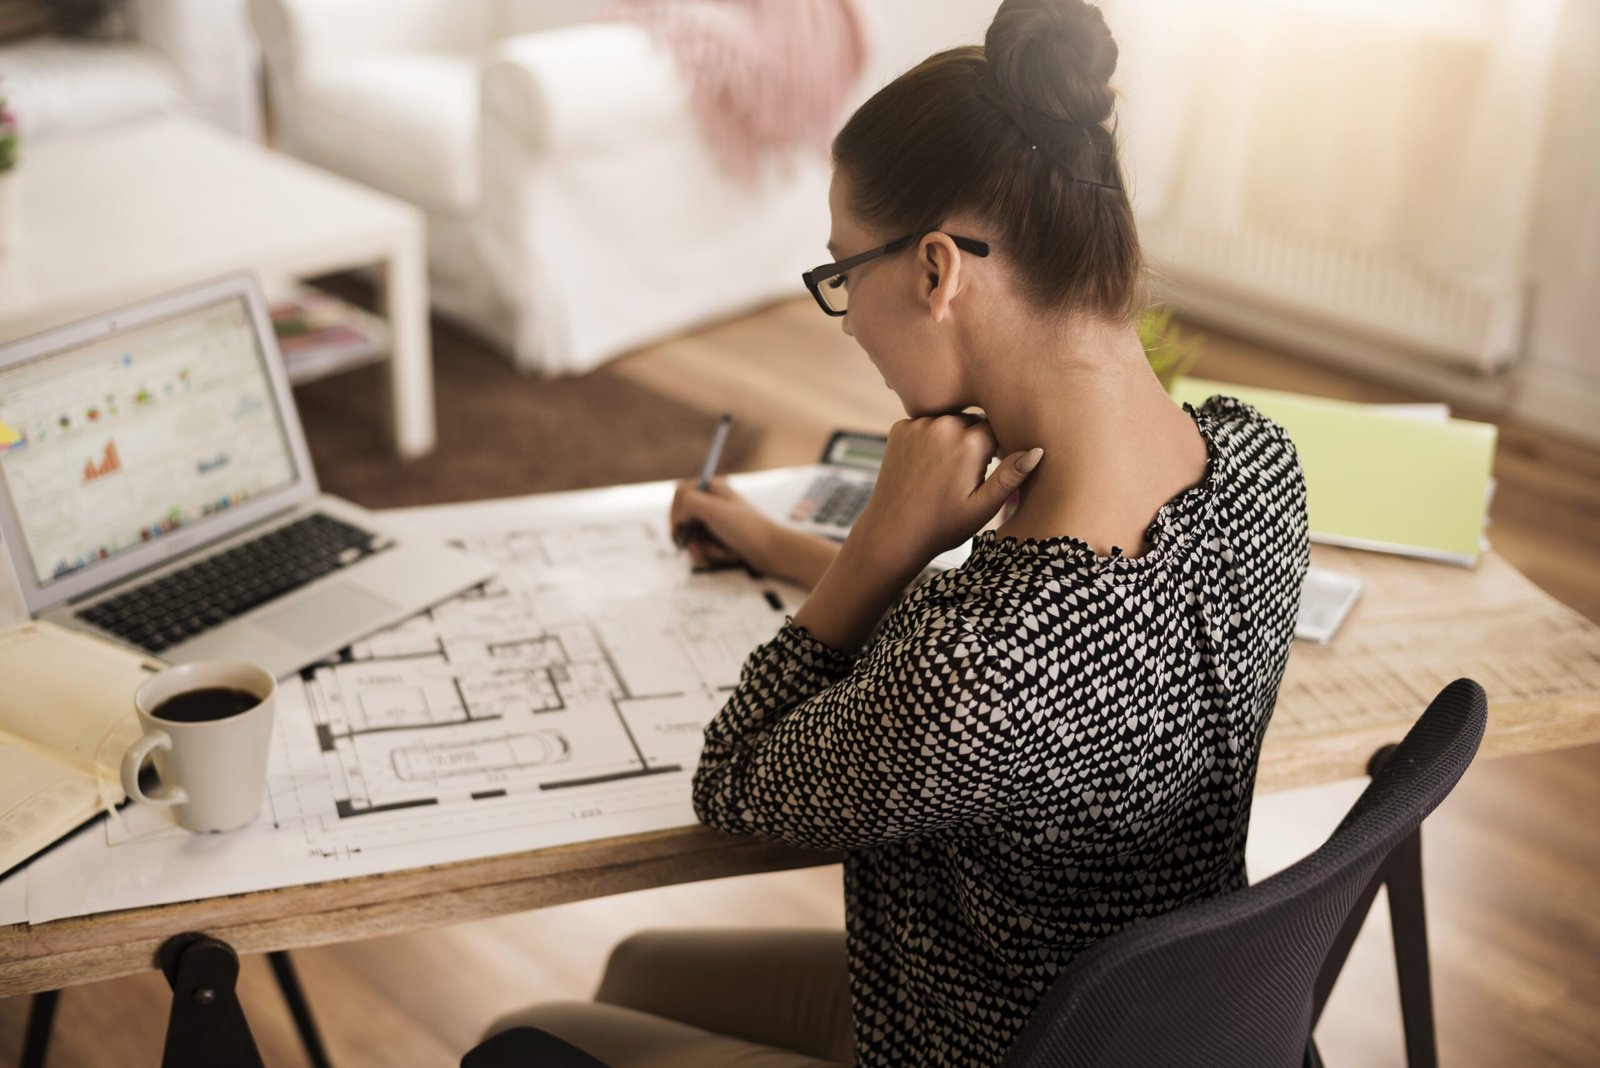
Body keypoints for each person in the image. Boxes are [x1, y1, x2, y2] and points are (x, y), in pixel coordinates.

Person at [484, 0, 1309, 1064]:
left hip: (958, 1039)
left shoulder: (990, 668)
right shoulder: (1256, 465)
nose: (847, 315)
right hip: (1122, 1023)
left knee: (522, 1035)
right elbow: (1027, 655)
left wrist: (881, 544)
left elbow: (735, 781)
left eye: (841, 274)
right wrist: (790, 547)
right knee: (638, 972)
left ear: (935, 272)